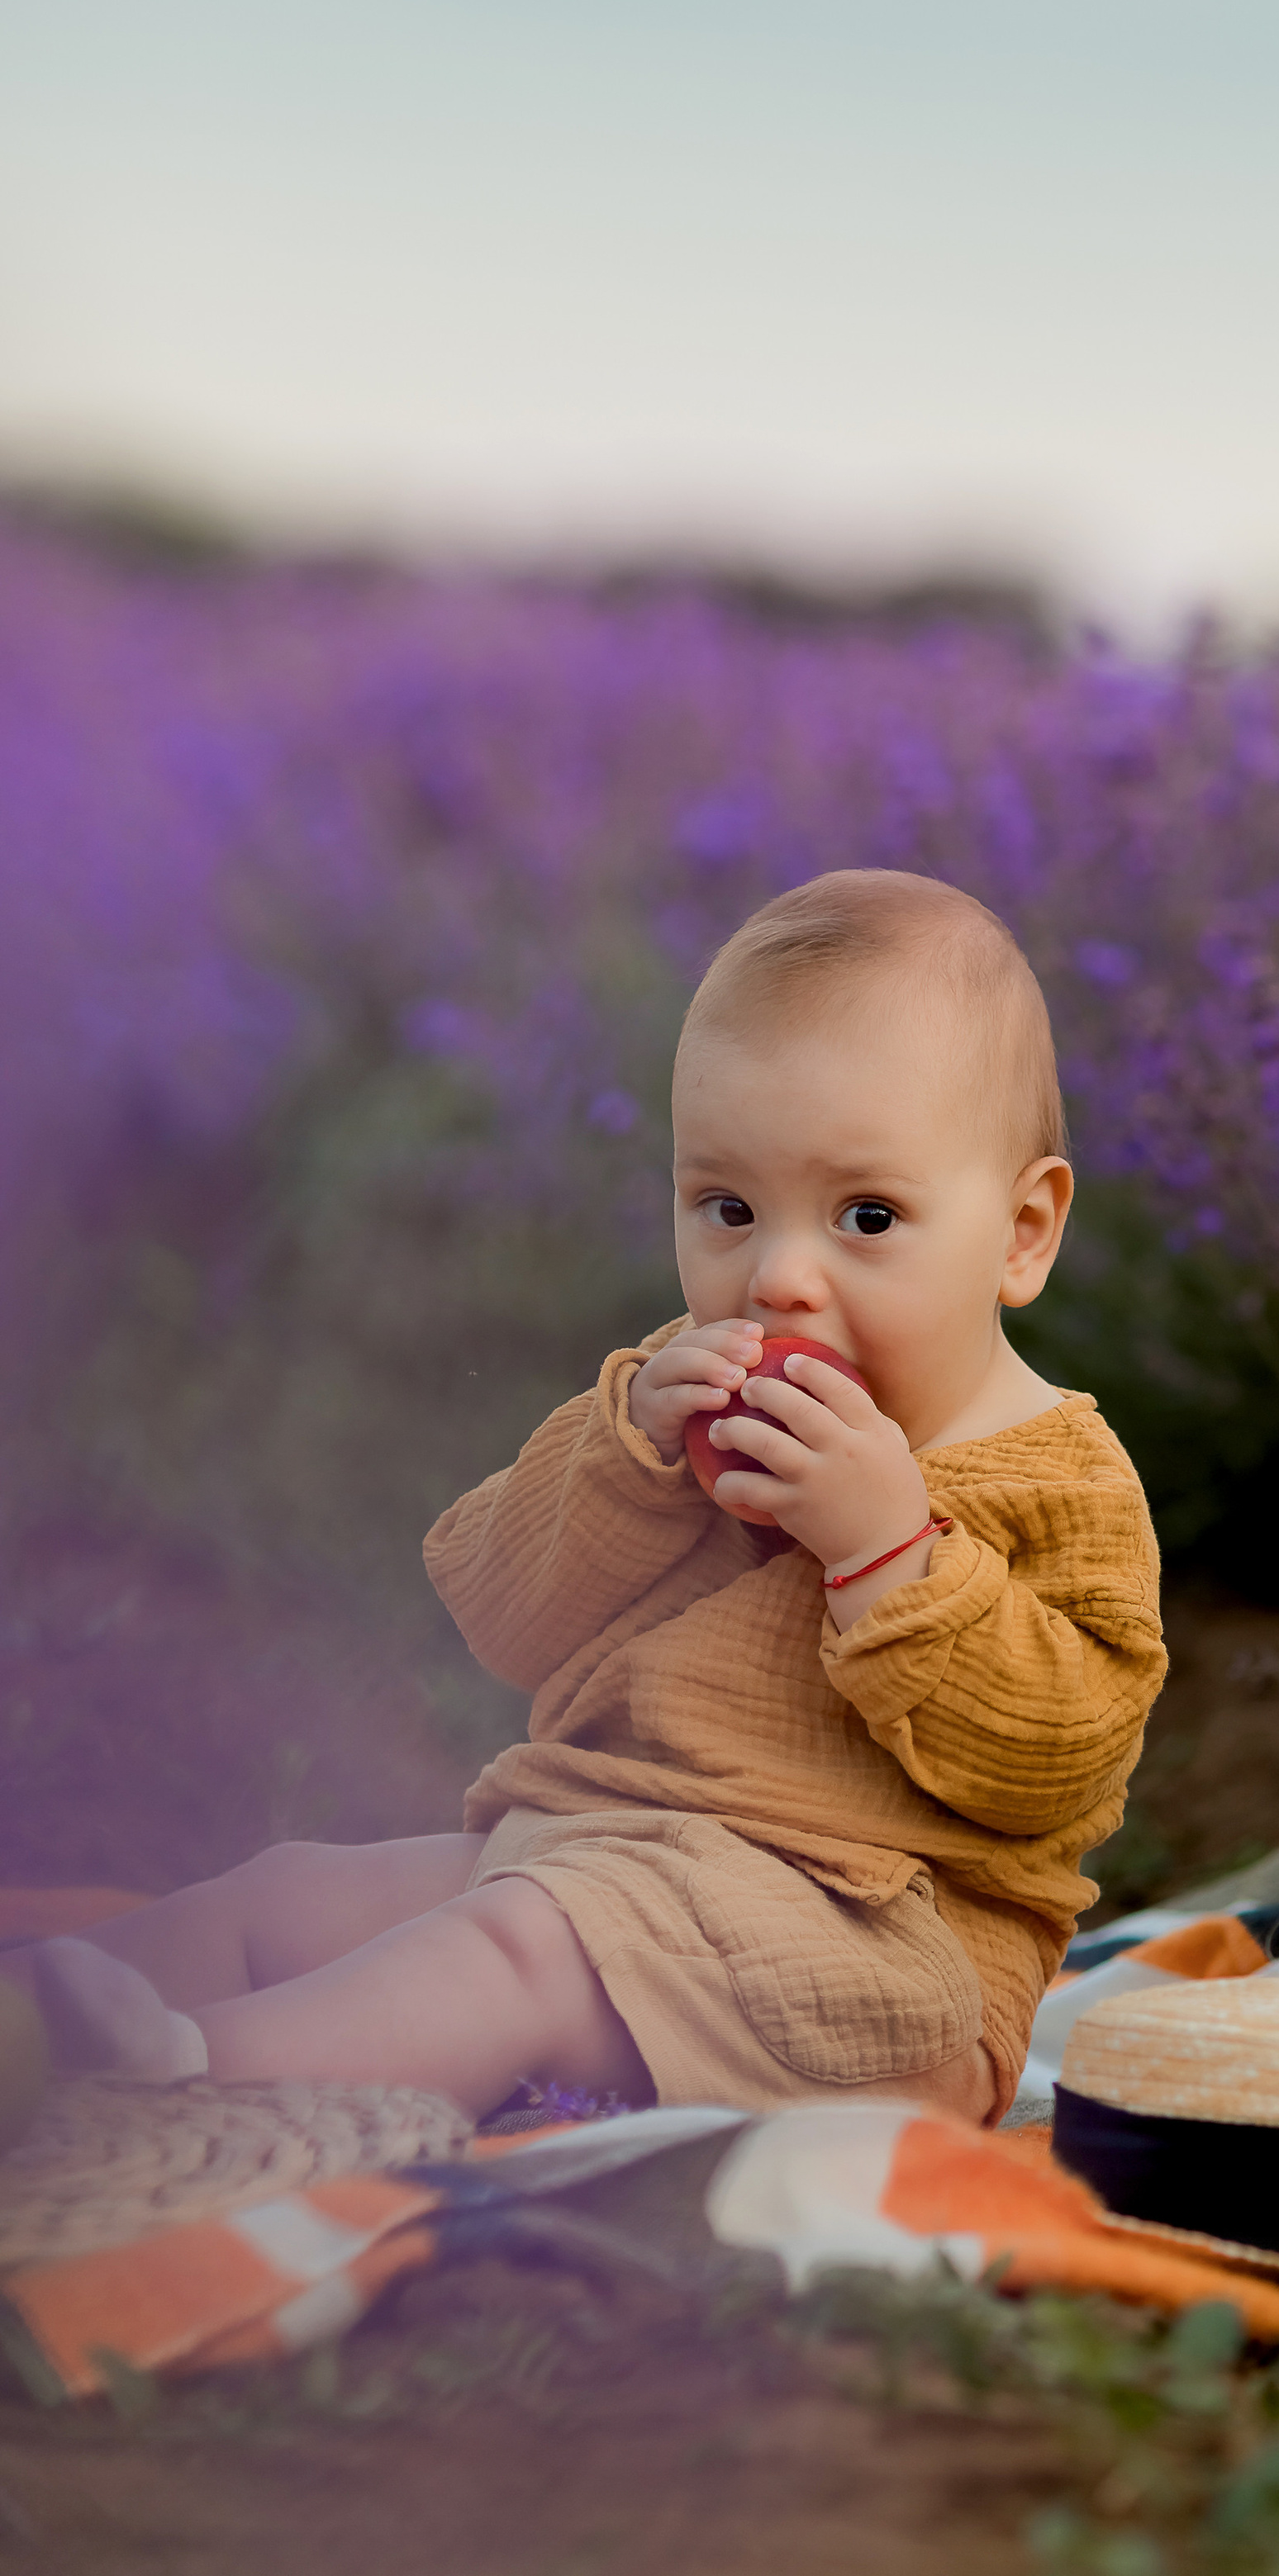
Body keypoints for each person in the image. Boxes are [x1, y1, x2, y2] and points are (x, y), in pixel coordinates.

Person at [19, 871, 1166, 2124]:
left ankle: (174, 2097)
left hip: (870, 1965)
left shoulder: (1056, 1478)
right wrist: (625, 1456)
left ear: (1021, 1234)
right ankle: (42, 2019)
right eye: (727, 1207)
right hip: (595, 1852)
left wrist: (889, 1552)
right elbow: (500, 1613)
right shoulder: (668, 1410)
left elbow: (1061, 1766)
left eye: (868, 1216)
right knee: (290, 1897)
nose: (778, 1276)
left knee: (519, 1948)